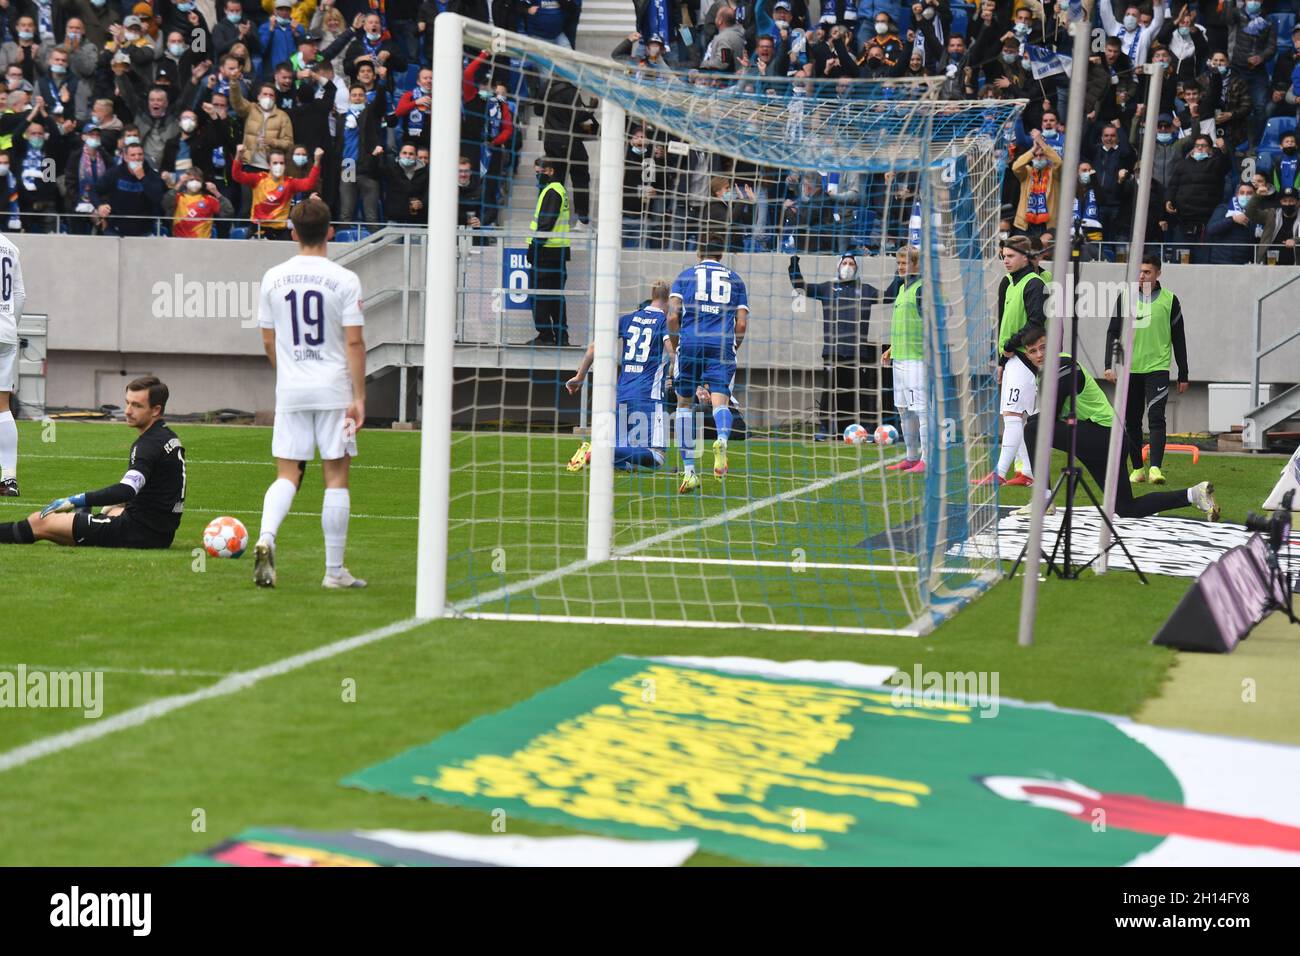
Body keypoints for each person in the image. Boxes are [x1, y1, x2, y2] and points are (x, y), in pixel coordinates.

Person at [253, 198, 367, 590]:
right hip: (333, 389)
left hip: (291, 389)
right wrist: (360, 396)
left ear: (293, 231)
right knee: (335, 477)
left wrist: (287, 375)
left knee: (287, 474)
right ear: (330, 232)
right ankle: (334, 572)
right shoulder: (345, 279)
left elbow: (268, 340)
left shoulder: (272, 278)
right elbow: (354, 342)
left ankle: (266, 537)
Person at [1019, 324, 1218, 522]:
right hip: (1105, 440)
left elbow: (1049, 419)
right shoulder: (1044, 374)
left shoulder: (1063, 366)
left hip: (1102, 435)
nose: (1039, 354)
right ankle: (1194, 494)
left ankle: (1043, 500)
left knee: (1033, 428)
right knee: (1126, 508)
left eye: (1043, 347)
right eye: (1033, 351)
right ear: (1027, 356)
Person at [0, 377, 186, 548]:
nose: (128, 411)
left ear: (156, 410)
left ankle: (82, 522)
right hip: (160, 533)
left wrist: (76, 499)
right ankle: (84, 524)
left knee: (40, 521)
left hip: (136, 533)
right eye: (127, 403)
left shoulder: (147, 445)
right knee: (111, 510)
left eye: (136, 405)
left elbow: (127, 490)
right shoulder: (168, 437)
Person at [564, 281, 678, 473]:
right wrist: (675, 373)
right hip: (648, 394)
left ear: (652, 296)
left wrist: (580, 376)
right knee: (657, 456)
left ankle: (600, 452)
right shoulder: (663, 322)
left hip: (623, 392)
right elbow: (672, 352)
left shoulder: (627, 319)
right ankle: (598, 449)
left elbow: (594, 347)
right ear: (668, 300)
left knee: (622, 460)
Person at [667, 233, 749, 493]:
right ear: (722, 253)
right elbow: (742, 323)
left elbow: (672, 317)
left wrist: (678, 342)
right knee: (719, 402)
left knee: (683, 403)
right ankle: (722, 439)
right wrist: (733, 346)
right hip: (721, 344)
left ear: (698, 252)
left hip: (691, 341)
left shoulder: (685, 275)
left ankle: (690, 471)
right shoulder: (735, 279)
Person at [1103, 256, 1189, 489]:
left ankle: (1155, 468)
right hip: (1130, 370)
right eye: (1139, 272)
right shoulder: (1125, 298)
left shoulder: (1170, 300)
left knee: (1156, 418)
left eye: (1147, 272)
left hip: (1158, 369)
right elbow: (1113, 332)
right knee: (1132, 421)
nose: (1142, 276)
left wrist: (1184, 373)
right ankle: (1138, 469)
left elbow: (1178, 338)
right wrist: (1109, 365)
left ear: (1158, 274)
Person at [788, 249, 879, 441]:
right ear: (838, 266)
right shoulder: (827, 288)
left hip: (857, 353)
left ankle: (865, 428)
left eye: (851, 264)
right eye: (845, 263)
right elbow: (801, 287)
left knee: (859, 392)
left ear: (856, 269)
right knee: (830, 391)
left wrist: (898, 272)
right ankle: (826, 428)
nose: (848, 267)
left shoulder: (866, 289)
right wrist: (794, 266)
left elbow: (888, 295)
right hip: (833, 351)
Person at [981, 235, 1046, 488]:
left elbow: (1036, 322)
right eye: (1003, 256)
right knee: (1018, 416)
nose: (1005, 261)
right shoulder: (1006, 283)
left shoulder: (1034, 284)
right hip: (1010, 359)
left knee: (1013, 415)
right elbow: (1003, 324)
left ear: (1025, 257)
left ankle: (999, 472)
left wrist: (1010, 346)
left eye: (1010, 256)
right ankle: (1028, 472)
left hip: (1025, 358)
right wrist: (1000, 359)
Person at [880, 246, 925, 473]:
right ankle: (910, 456)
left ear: (916, 265)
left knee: (922, 409)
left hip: (917, 359)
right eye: (898, 263)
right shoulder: (902, 289)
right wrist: (892, 348)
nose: (900, 267)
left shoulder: (922, 289)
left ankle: (927, 459)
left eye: (904, 263)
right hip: (900, 357)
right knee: (903, 408)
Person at [231, 143, 322, 238]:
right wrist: (238, 156)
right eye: (275, 163)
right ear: (269, 165)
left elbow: (309, 184)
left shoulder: (290, 183)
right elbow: (237, 176)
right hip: (257, 228)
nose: (278, 166)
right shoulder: (258, 179)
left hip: (280, 231)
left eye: (281, 163)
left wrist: (316, 162)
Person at [529, 156, 571, 346]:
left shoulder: (552, 191)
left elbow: (545, 224)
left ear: (551, 171)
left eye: (541, 172)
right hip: (557, 251)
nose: (538, 176)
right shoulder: (558, 190)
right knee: (555, 296)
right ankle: (561, 336)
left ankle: (546, 335)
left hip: (546, 252)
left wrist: (534, 247)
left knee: (541, 296)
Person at [0, 226, 22, 495]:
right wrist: (8, 327)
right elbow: (20, 296)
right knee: (2, 407)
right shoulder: (10, 246)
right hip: (5, 331)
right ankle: (9, 479)